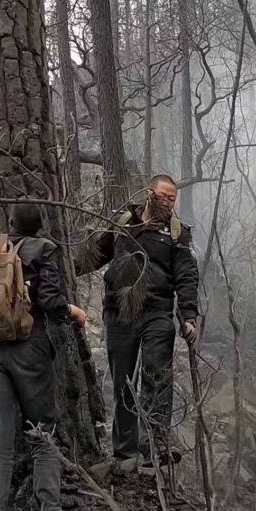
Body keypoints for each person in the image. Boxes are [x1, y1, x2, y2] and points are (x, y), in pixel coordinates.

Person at [0, 178, 87, 511]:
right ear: (40, 225)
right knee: (41, 431)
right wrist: (72, 311)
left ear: (13, 224)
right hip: (30, 349)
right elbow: (49, 301)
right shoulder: (45, 249)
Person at [74, 173, 198, 471]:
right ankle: (125, 452)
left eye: (173, 198)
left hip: (158, 311)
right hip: (119, 311)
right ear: (149, 194)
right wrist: (65, 272)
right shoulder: (124, 223)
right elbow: (93, 256)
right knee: (122, 381)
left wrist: (189, 316)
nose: (169, 202)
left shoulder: (177, 233)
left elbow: (186, 275)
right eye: (164, 196)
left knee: (157, 376)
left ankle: (155, 447)